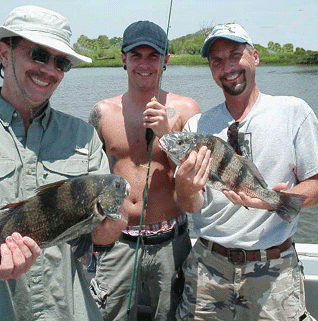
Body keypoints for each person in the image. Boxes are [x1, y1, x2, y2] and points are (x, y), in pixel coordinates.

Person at [0, 5, 126, 321]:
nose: (49, 69)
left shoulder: (84, 136)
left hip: (69, 310)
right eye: (38, 55)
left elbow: (99, 237)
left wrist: (115, 222)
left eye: (61, 62)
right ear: (4, 53)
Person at [173, 23, 318, 321]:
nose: (228, 67)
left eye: (235, 55)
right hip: (209, 266)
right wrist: (184, 189)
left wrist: (274, 199)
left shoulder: (293, 111)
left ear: (255, 57)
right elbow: (190, 206)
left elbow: (317, 189)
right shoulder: (196, 127)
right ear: (211, 70)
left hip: (274, 270)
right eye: (217, 61)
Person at [88, 20, 200, 320]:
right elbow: (90, 179)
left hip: (171, 242)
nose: (144, 64)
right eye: (136, 55)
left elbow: (199, 176)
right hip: (117, 242)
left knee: (170, 315)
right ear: (123, 59)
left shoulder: (187, 109)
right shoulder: (102, 113)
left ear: (166, 60)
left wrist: (167, 135)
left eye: (153, 56)